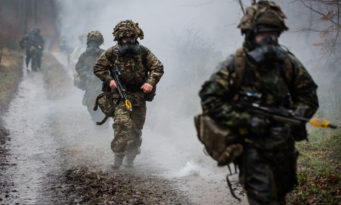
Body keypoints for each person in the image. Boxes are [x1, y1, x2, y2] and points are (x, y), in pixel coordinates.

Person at [199, 1, 319, 204]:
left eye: (274, 34)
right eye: (264, 34)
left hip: (284, 147)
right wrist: (246, 120)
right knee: (263, 199)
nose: (269, 39)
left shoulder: (287, 63)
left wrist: (298, 115)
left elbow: (308, 94)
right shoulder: (235, 64)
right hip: (251, 147)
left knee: (280, 196)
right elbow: (210, 101)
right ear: (250, 34)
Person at [94, 20, 164, 169]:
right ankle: (118, 158)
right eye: (124, 39)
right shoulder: (112, 53)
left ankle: (130, 158)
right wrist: (110, 80)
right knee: (121, 125)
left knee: (136, 130)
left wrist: (150, 82)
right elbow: (99, 67)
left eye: (131, 38)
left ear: (135, 37)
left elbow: (157, 67)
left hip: (138, 96)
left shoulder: (144, 52)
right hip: (120, 96)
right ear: (119, 39)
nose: (128, 41)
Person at [75, 31, 105, 123]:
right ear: (88, 44)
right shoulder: (84, 56)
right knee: (90, 105)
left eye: (95, 43)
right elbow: (78, 67)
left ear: (98, 44)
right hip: (90, 85)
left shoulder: (104, 54)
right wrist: (86, 75)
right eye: (91, 43)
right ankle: (96, 120)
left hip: (102, 85)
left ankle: (103, 122)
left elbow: (112, 66)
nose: (92, 45)